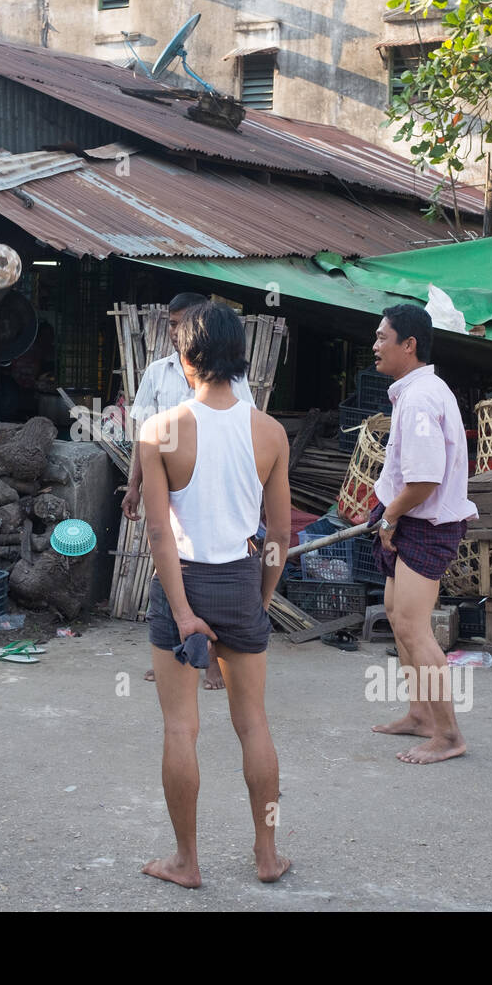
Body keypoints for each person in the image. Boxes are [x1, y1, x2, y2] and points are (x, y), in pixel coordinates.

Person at [138, 300, 292, 888]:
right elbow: (278, 533)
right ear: (241, 359)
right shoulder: (270, 431)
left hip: (182, 583)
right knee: (253, 723)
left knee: (181, 728)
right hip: (239, 579)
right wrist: (262, 596)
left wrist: (180, 611)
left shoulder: (161, 430)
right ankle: (267, 855)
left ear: (185, 358)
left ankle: (186, 860)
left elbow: (157, 532)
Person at [124, 292, 256, 691]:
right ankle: (172, 650)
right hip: (171, 484)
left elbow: (242, 428)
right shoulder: (157, 373)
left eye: (182, 323)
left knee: (203, 560)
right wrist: (134, 484)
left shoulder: (232, 380)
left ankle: (212, 661)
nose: (175, 330)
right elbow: (142, 438)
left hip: (212, 484)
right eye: (171, 322)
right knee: (170, 557)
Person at [365, 305, 477, 765]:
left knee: (414, 627)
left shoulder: (419, 398)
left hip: (423, 522)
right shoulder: (416, 392)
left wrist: (390, 517)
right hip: (411, 517)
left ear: (408, 345)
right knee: (396, 615)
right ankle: (421, 715)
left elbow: (426, 478)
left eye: (381, 337)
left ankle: (449, 735)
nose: (375, 345)